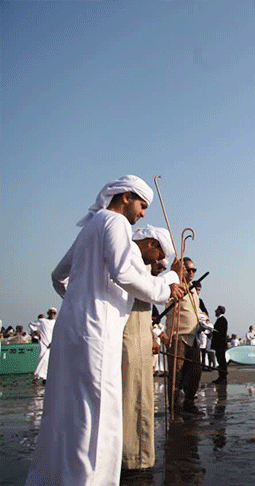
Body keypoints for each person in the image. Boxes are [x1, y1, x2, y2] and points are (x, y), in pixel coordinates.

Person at [25, 175, 186, 486]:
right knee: (95, 416)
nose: (142, 214)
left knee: (65, 411)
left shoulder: (91, 226)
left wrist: (79, 300)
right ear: (125, 197)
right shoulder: (115, 222)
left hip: (72, 330)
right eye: (142, 205)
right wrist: (167, 288)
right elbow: (125, 273)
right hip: (97, 334)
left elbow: (59, 276)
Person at [122, 225, 177, 471]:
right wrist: (172, 277)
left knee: (141, 397)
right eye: (160, 254)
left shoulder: (138, 262)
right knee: (133, 398)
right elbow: (149, 290)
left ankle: (138, 457)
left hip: (139, 337)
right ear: (150, 243)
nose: (160, 261)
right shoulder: (128, 257)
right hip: (128, 338)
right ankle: (132, 459)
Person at [165, 256, 205, 417]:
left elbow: (198, 311)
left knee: (195, 373)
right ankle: (174, 408)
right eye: (188, 269)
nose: (191, 273)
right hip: (178, 336)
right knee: (176, 374)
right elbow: (165, 301)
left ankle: (189, 403)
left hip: (193, 336)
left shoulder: (194, 289)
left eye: (193, 270)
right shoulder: (173, 287)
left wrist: (204, 319)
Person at [29, 308, 57, 384]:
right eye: (51, 313)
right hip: (43, 342)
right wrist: (35, 331)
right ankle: (37, 377)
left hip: (52, 344)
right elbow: (31, 324)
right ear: (48, 313)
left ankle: (44, 378)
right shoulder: (42, 321)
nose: (52, 314)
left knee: (48, 360)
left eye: (54, 313)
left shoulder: (56, 322)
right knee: (42, 358)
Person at [211, 306, 228, 384]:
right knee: (220, 360)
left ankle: (223, 377)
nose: (215, 311)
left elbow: (220, 332)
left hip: (220, 344)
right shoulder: (220, 320)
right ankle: (221, 376)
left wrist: (212, 331)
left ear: (219, 311)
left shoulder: (222, 320)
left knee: (221, 361)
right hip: (219, 344)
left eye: (216, 310)